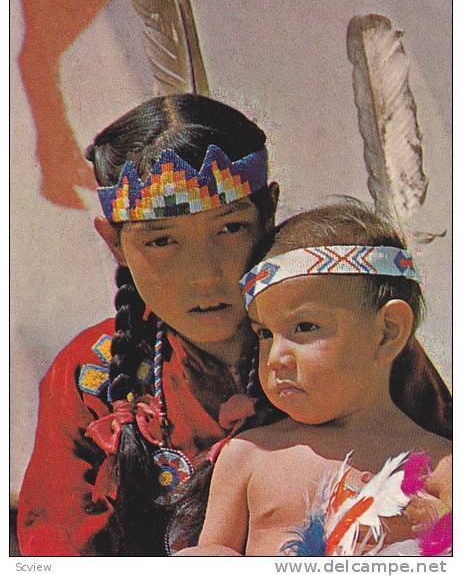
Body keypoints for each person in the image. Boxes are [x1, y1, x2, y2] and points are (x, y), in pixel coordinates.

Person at [17, 98, 451, 557]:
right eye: (161, 240)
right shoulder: (90, 375)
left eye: (229, 229)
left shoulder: (353, 345)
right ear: (115, 243)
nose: (203, 274)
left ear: (269, 212)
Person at [178, 200, 452, 557]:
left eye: (304, 327)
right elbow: (212, 553)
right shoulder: (249, 456)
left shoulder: (441, 465)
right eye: (264, 334)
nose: (276, 357)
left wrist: (441, 526)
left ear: (386, 332)